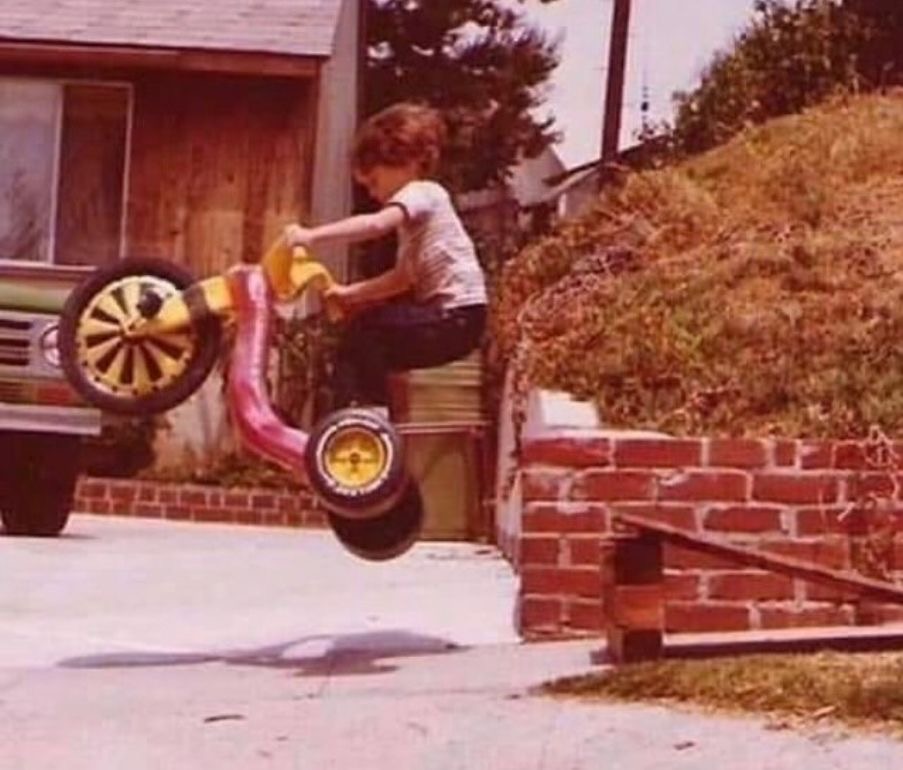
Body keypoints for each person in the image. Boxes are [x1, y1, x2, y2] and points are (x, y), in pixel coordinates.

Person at [284, 102, 487, 410]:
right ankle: (371, 416)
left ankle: (365, 418)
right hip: (458, 322)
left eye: (374, 181)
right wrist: (348, 294)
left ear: (405, 162)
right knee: (368, 345)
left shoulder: (423, 192)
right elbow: (400, 279)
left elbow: (376, 225)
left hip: (455, 317)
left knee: (367, 331)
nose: (372, 194)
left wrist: (312, 236)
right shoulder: (415, 225)